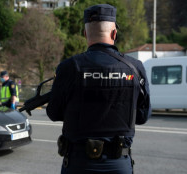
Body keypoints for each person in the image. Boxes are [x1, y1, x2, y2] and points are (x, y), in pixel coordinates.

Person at [46, 4, 151, 174]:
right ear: (114, 33)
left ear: (85, 33)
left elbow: (53, 113)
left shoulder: (68, 67)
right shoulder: (134, 68)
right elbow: (142, 116)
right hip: (118, 165)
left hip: (78, 165)